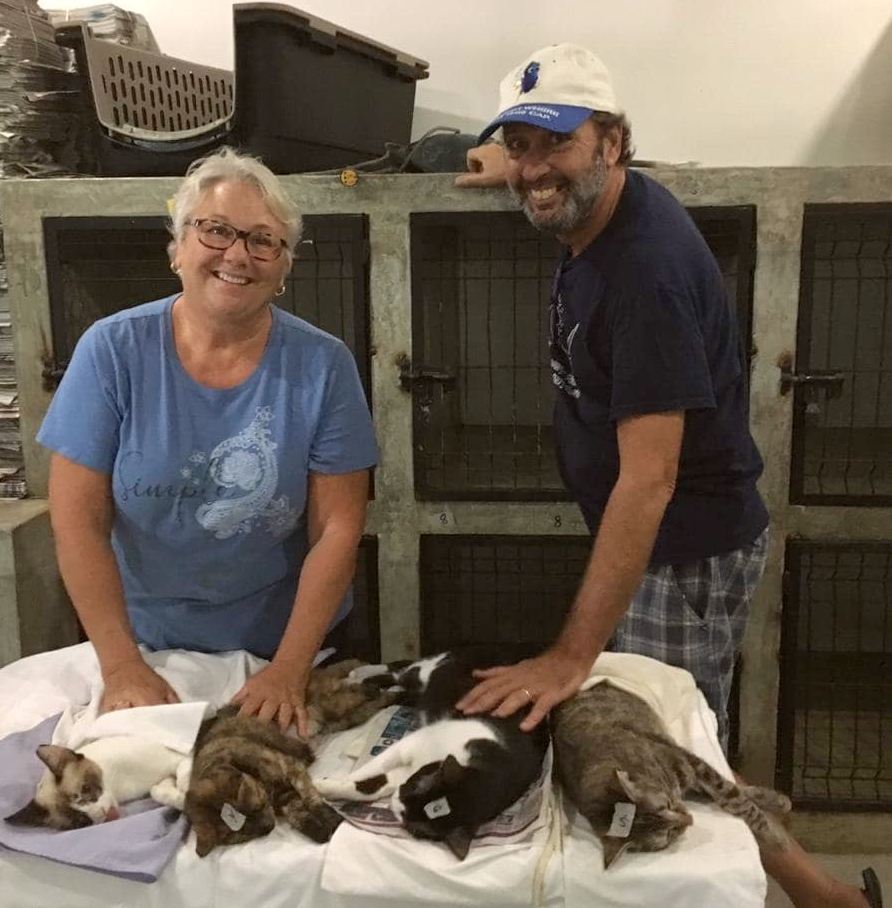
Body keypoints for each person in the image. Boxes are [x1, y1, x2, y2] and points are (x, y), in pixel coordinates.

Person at [454, 43, 882, 908]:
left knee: (666, 754)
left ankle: (815, 895)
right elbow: (541, 170)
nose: (534, 169)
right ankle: (819, 893)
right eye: (521, 146)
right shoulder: (605, 208)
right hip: (666, 541)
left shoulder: (645, 274)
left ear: (613, 141)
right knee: (679, 740)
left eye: (556, 143)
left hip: (680, 547)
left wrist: (571, 657)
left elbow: (648, 480)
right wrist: (514, 165)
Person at [37, 147, 378, 739]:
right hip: (143, 645)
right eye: (216, 230)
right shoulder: (112, 351)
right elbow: (77, 523)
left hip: (288, 648)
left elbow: (337, 530)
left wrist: (288, 670)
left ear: (283, 268)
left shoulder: (324, 365)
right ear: (178, 247)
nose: (237, 255)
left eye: (263, 241)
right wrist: (121, 666)